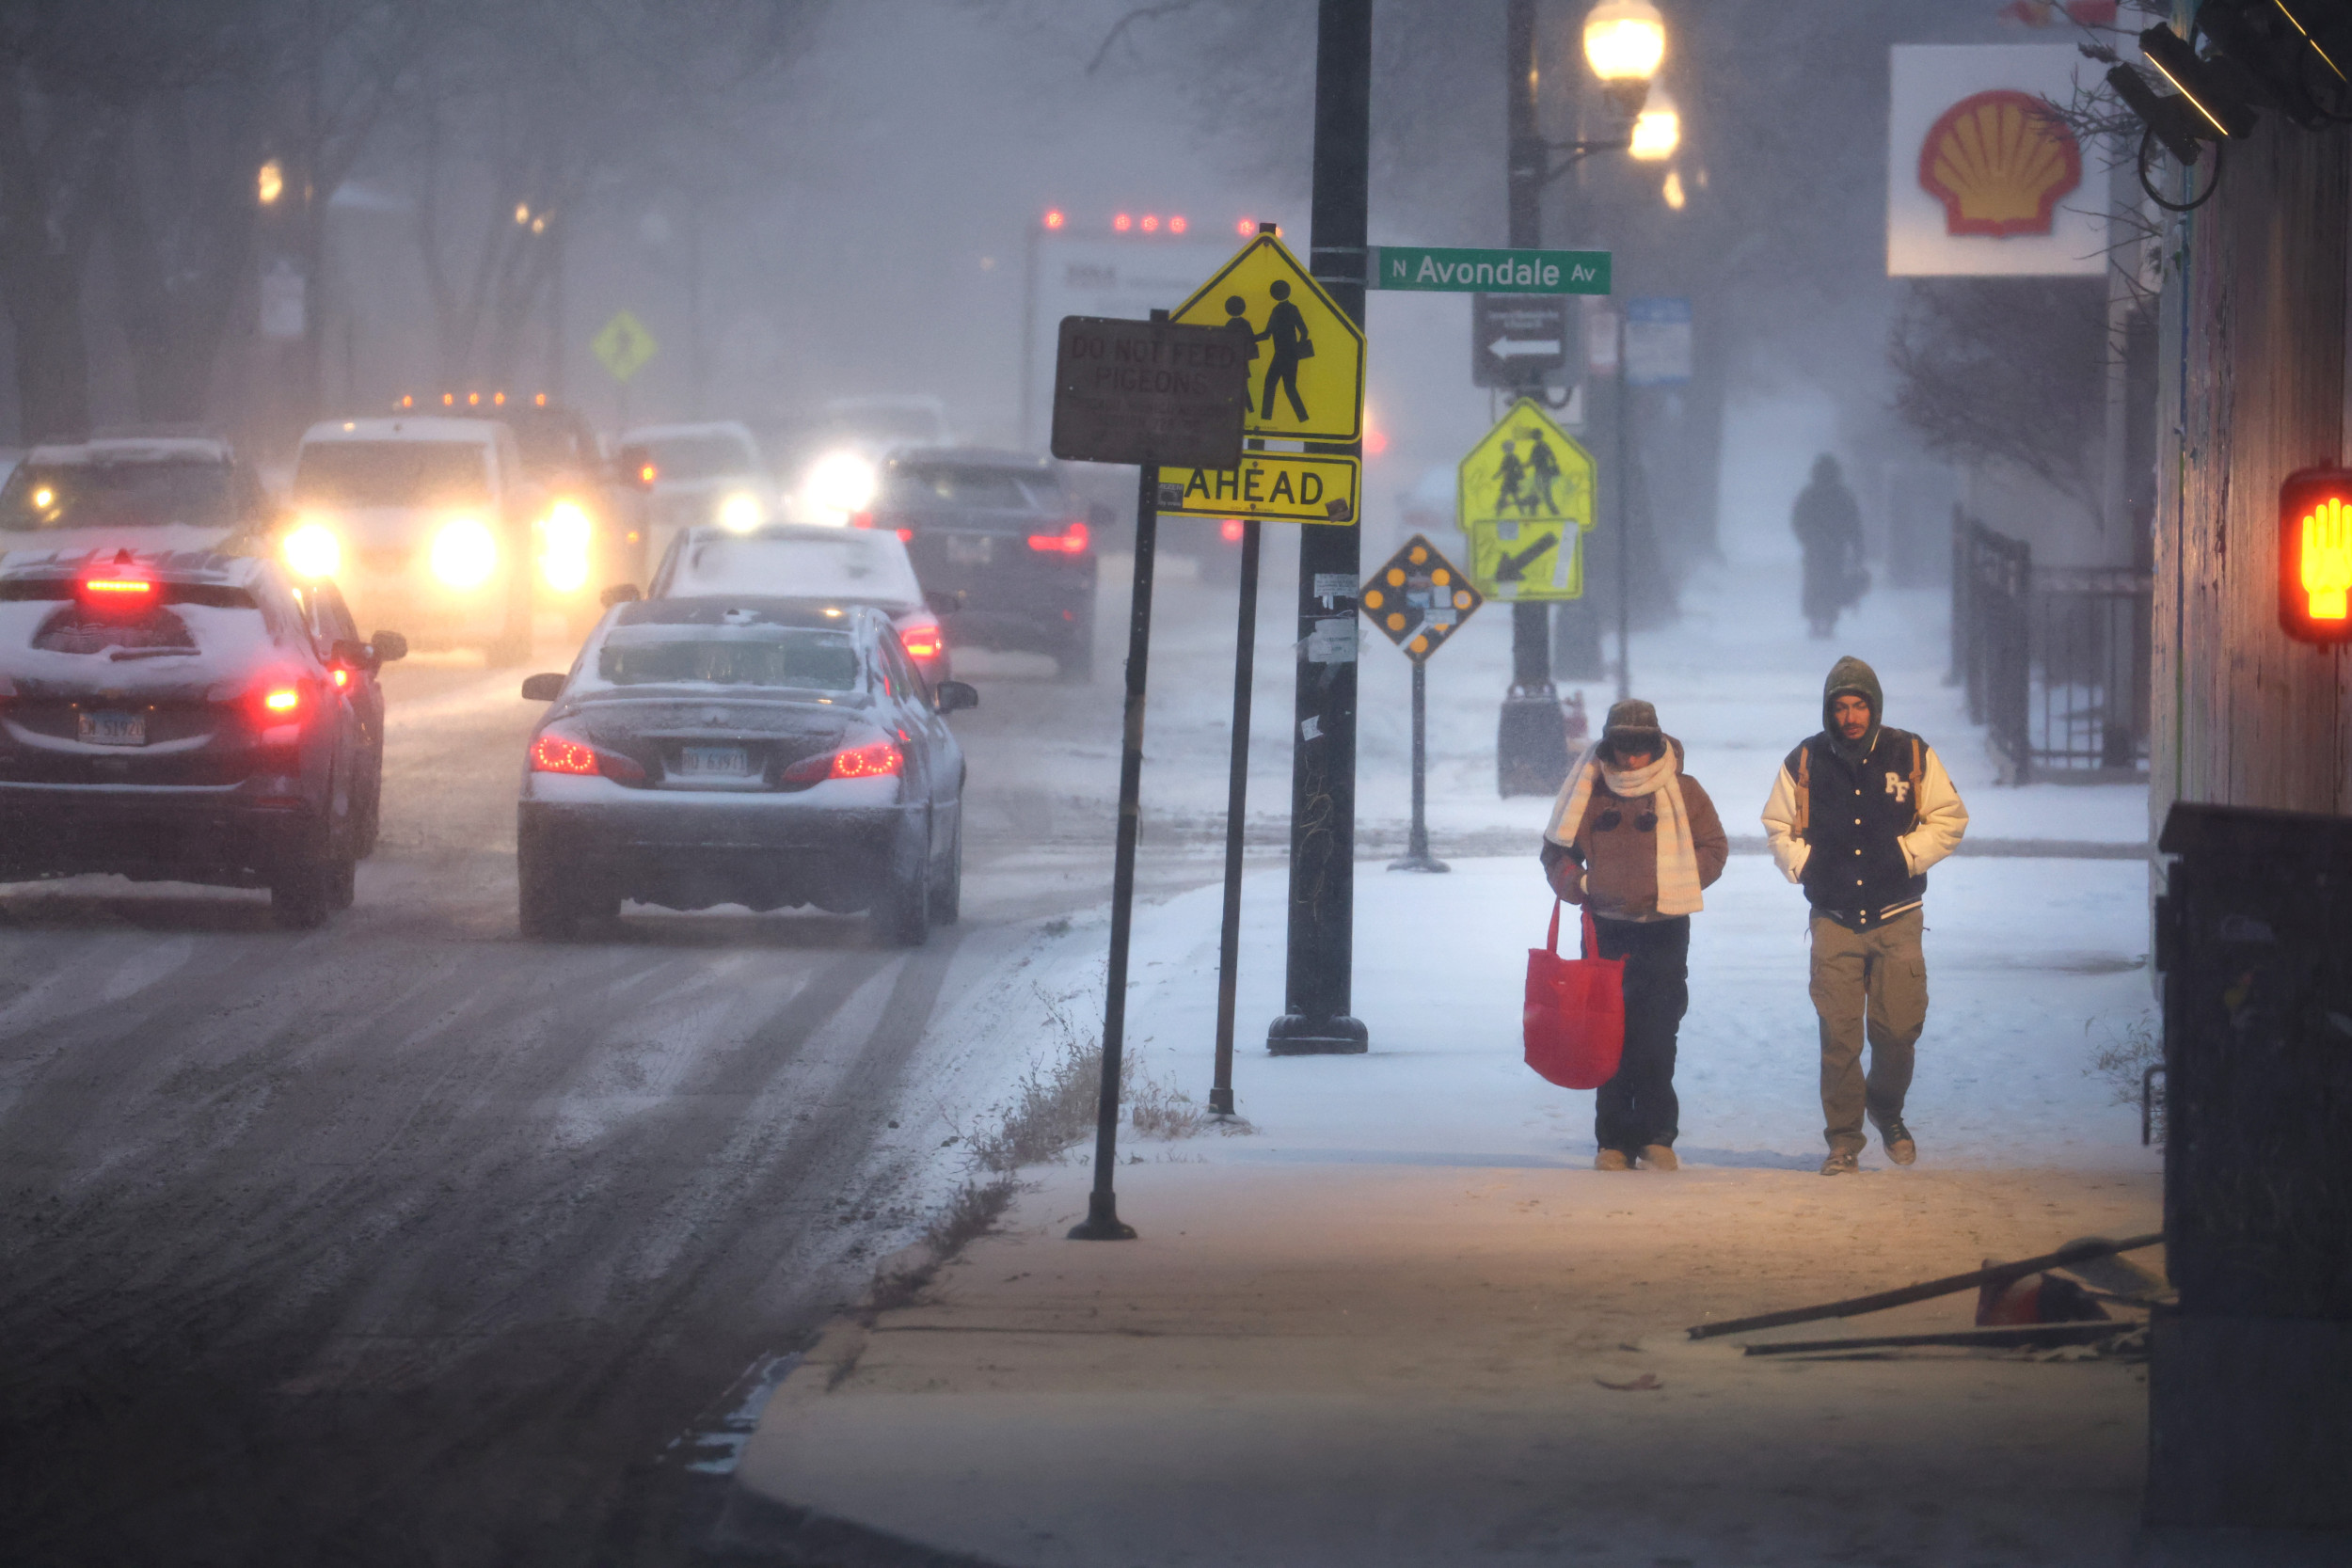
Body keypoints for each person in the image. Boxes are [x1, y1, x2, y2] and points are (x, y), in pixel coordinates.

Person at [1760, 657, 1968, 1176]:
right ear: (1828, 710)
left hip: (1898, 915)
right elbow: (1777, 825)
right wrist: (1804, 866)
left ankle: (1887, 1107)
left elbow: (1949, 817)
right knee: (1839, 1034)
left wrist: (1904, 855)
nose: (1850, 716)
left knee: (1898, 1031)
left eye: (1859, 705)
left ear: (1874, 707)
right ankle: (1844, 1141)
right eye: (1841, 706)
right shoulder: (1805, 760)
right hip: (1833, 918)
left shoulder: (1911, 753)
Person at [1540, 700, 1729, 1172]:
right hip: (1605, 929)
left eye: (1640, 747)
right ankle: (1613, 1142)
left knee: (1657, 1034)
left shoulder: (1685, 791)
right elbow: (1555, 852)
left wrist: (1677, 880)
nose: (1629, 759)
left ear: (1656, 744)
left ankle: (1657, 1136)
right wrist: (1582, 885)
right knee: (1608, 1035)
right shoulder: (1588, 791)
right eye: (1621, 746)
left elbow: (1715, 848)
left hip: (1665, 927)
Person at [1791, 453, 1865, 639]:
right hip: (1836, 548)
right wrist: (1857, 549)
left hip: (1814, 549)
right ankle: (1830, 622)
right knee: (1833, 583)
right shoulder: (1843, 495)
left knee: (1814, 584)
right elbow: (1854, 524)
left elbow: (1798, 521)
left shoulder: (1808, 494)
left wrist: (1808, 538)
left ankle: (1815, 621)